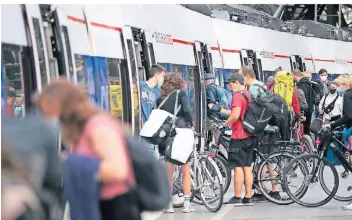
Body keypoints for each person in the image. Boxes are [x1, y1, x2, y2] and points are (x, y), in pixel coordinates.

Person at [36, 79, 137, 220]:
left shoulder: (98, 127)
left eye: (50, 112)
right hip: (97, 201)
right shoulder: (80, 129)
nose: (48, 119)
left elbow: (118, 170)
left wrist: (72, 164)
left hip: (112, 205)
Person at [156, 72, 194, 213]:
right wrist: (190, 124)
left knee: (169, 173)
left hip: (167, 136)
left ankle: (169, 205)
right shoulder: (181, 94)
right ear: (179, 82)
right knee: (185, 171)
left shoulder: (160, 99)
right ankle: (187, 204)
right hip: (181, 134)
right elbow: (187, 111)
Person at [321, 74, 352, 211]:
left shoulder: (347, 95)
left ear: (345, 85)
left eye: (339, 85)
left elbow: (348, 116)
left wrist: (332, 125)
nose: (338, 88)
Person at [223, 73, 255, 206]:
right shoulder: (248, 94)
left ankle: (237, 197)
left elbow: (236, 115)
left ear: (236, 82)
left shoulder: (237, 96)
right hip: (250, 135)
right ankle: (248, 197)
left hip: (239, 135)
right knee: (247, 167)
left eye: (230, 84)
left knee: (237, 168)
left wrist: (224, 124)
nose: (230, 87)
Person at [140, 64, 166, 159]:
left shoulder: (158, 92)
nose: (163, 79)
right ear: (156, 75)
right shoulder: (140, 86)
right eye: (162, 76)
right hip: (139, 129)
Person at [294, 70, 314, 134]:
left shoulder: (301, 85)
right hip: (309, 109)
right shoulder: (307, 83)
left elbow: (303, 100)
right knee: (307, 130)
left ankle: (304, 143)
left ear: (295, 75)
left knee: (304, 131)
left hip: (305, 111)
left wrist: (302, 113)